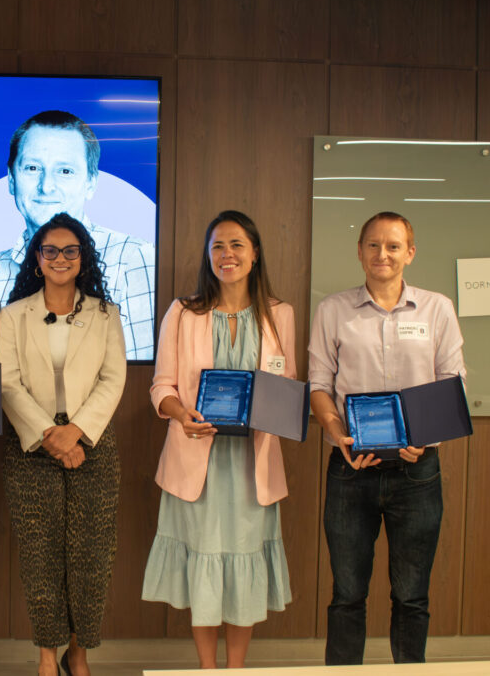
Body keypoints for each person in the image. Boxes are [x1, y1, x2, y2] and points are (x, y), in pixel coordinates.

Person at [308, 211, 466, 665]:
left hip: (417, 471)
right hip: (351, 469)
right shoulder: (333, 310)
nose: (383, 254)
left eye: (394, 246)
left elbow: (451, 381)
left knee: (412, 595)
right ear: (360, 252)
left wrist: (426, 436)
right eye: (373, 245)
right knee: (347, 595)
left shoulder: (437, 308)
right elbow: (319, 384)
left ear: (410, 253)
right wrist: (337, 431)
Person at [141, 210, 294, 669]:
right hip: (196, 463)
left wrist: (273, 411)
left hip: (252, 464)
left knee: (245, 568)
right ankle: (207, 668)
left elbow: (286, 385)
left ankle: (235, 669)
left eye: (237, 245)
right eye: (218, 247)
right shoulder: (183, 312)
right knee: (204, 567)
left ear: (255, 253)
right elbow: (161, 386)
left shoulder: (280, 314)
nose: (227, 255)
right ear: (208, 255)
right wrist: (180, 414)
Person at [0, 212, 126, 676]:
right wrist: (49, 434)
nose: (60, 258)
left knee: (91, 557)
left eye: (71, 250)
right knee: (41, 557)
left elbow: (113, 379)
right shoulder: (13, 315)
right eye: (50, 250)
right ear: (37, 258)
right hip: (31, 448)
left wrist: (77, 431)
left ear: (83, 258)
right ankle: (47, 657)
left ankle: (79, 653)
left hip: (93, 444)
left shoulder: (105, 314)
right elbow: (7, 383)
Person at [0, 109, 156, 360]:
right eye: (33, 167)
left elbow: (138, 372)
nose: (46, 186)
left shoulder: (134, 259)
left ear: (91, 182)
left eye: (65, 171)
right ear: (11, 179)